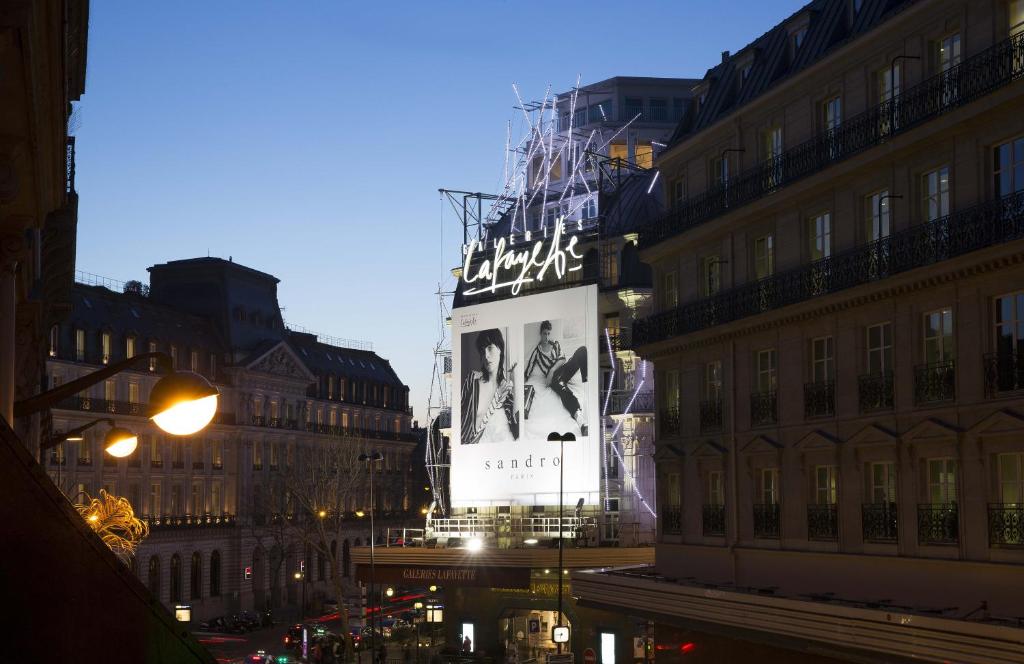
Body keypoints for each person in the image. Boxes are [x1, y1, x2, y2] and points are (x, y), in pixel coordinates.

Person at [525, 320, 589, 435]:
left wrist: (552, 370)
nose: (546, 337)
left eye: (548, 333)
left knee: (582, 350)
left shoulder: (555, 344)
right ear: (540, 334)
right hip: (554, 379)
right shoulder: (536, 352)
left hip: (562, 370)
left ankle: (586, 381)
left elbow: (563, 358)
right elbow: (528, 369)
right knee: (563, 389)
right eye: (544, 333)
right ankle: (580, 420)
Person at [462, 328, 519, 444]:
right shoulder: (472, 381)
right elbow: (460, 421)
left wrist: (515, 379)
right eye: (482, 351)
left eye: (490, 348)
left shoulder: (507, 391)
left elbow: (517, 430)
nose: (486, 355)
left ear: (500, 349)